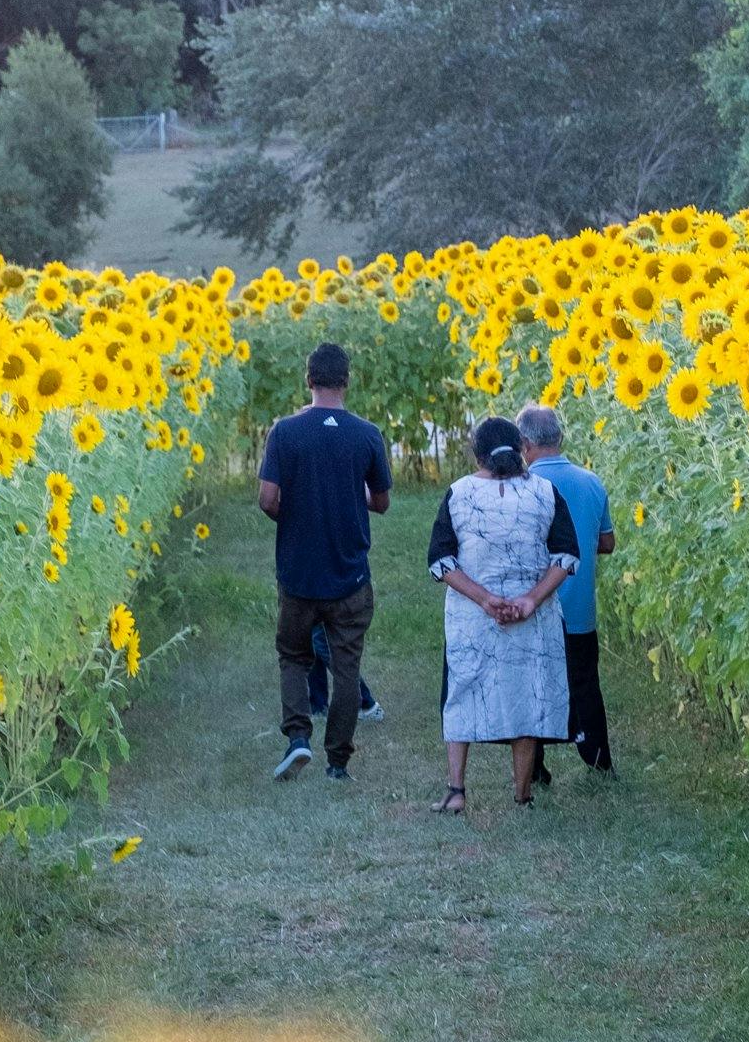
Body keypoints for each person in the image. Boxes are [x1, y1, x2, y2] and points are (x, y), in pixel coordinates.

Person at [427, 415, 581, 813]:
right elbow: (566, 557)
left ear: (477, 454)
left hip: (472, 618)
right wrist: (530, 600)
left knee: (461, 693)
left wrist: (484, 600)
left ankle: (457, 790)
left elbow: (441, 561)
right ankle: (522, 794)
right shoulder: (545, 492)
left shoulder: (458, 494)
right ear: (521, 449)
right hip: (534, 618)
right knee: (526, 698)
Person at [258, 340, 391, 782]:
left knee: (294, 655)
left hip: (298, 572)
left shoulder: (284, 432)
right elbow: (382, 501)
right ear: (346, 382)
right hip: (350, 575)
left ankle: (298, 739)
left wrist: (293, 512)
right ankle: (338, 762)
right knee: (346, 667)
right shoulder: (367, 434)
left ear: (308, 380)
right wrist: (351, 496)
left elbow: (267, 499)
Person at [517, 401, 615, 778]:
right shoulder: (591, 482)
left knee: (534, 687)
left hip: (536, 608)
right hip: (579, 610)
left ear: (524, 444)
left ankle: (536, 768)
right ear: (560, 438)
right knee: (586, 684)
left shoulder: (525, 488)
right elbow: (607, 542)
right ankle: (599, 759)